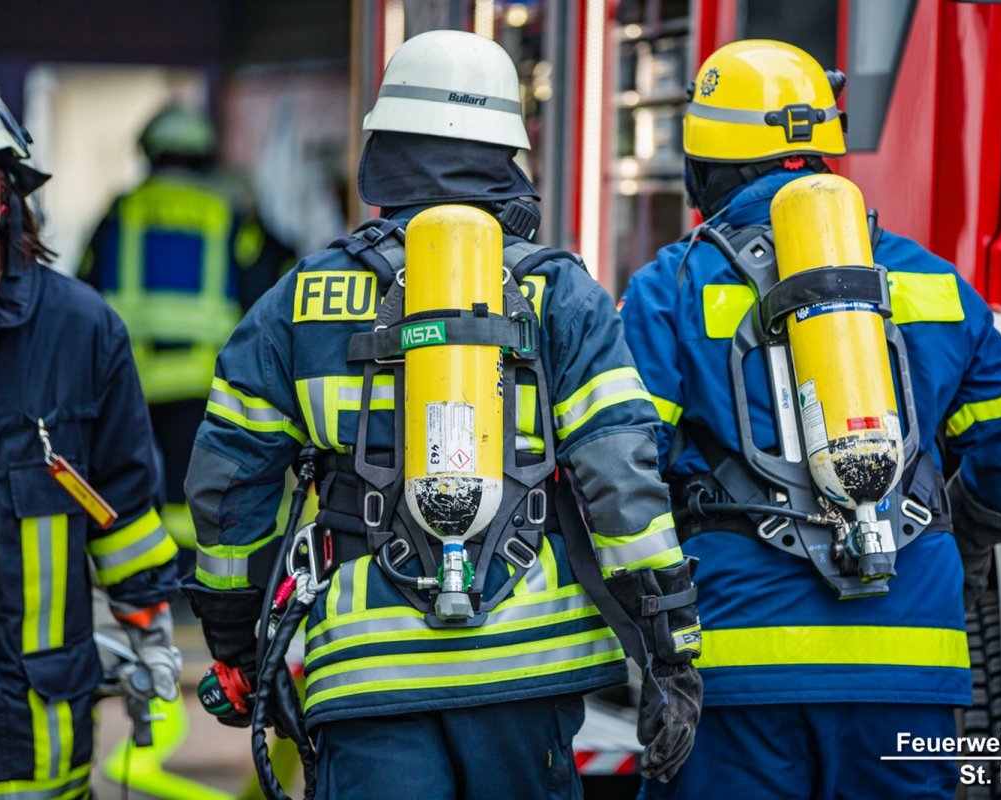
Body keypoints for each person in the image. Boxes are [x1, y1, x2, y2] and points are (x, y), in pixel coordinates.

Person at [183, 29, 702, 799]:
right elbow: (621, 482)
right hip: (530, 672)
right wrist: (668, 651)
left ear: (383, 150)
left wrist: (236, 640)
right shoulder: (558, 292)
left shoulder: (300, 300)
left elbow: (230, 488)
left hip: (368, 676)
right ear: (504, 152)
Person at [619, 40, 1001, 799]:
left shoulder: (671, 287)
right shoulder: (932, 283)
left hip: (743, 660)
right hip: (909, 660)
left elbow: (624, 462)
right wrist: (962, 535)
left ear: (705, 164)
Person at [0, 92, 180, 799]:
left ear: (7, 193)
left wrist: (150, 632)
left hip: (37, 720)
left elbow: (123, 512)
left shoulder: (81, 332)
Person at [80, 103, 292, 554]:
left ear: (151, 153)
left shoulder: (122, 211)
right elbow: (270, 283)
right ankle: (185, 577)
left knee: (128, 481)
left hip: (131, 379)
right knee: (189, 488)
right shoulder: (227, 213)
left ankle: (143, 568)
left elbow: (83, 289)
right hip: (200, 379)